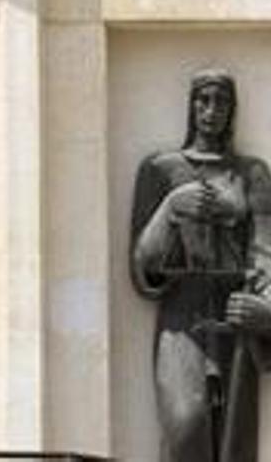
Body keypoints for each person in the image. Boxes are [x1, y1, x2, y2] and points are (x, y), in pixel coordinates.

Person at [131, 68, 271, 462]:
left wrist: (266, 308)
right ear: (191, 106)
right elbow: (143, 267)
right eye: (203, 100)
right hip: (182, 317)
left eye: (221, 101)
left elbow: (265, 251)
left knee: (233, 441)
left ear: (233, 109)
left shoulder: (252, 174)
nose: (212, 110)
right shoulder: (159, 169)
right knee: (186, 422)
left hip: (235, 316)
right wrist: (170, 209)